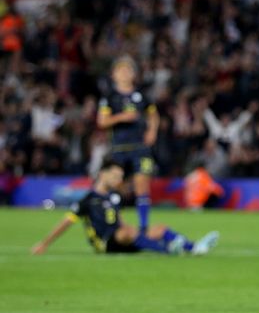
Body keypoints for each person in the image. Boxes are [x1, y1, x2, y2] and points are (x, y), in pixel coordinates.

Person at [32, 160, 219, 256]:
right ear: (102, 174)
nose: (118, 180)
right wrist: (44, 244)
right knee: (127, 232)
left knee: (159, 228)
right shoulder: (88, 200)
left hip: (123, 236)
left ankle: (195, 247)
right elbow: (66, 223)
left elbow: (119, 220)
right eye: (114, 175)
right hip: (104, 243)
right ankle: (169, 250)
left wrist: (137, 231)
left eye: (120, 176)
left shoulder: (114, 196)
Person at [97, 56, 158, 233]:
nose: (125, 73)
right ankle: (114, 224)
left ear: (134, 74)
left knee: (142, 186)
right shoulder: (110, 97)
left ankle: (144, 227)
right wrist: (122, 117)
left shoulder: (141, 95)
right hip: (118, 149)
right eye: (121, 70)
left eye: (128, 70)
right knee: (116, 187)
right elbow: (102, 122)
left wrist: (152, 130)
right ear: (114, 75)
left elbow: (154, 115)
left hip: (139, 148)